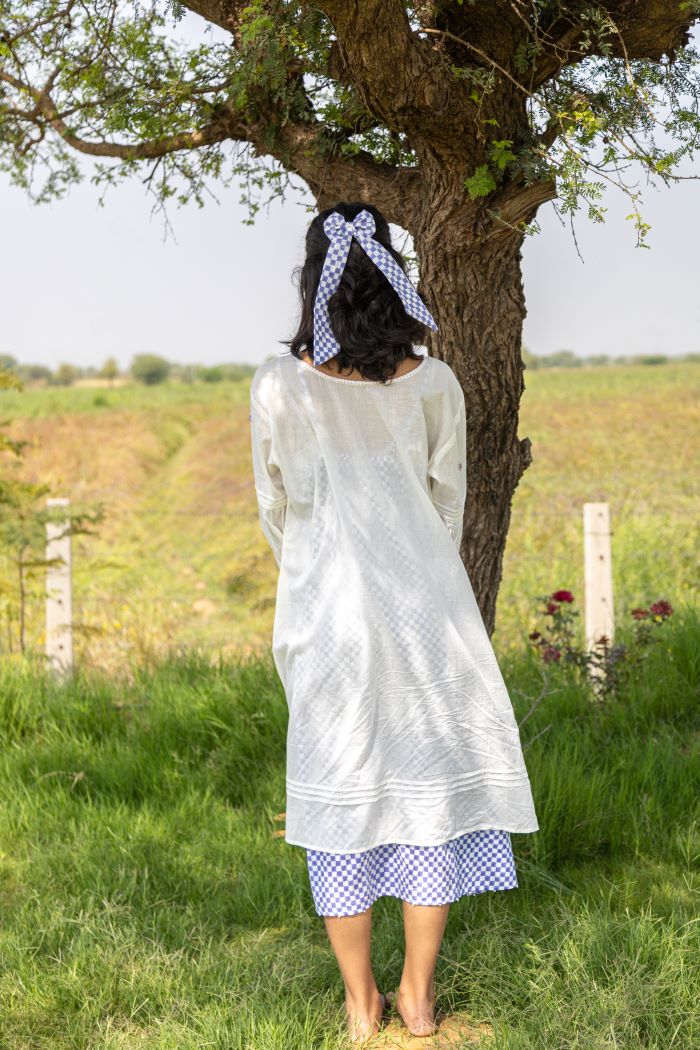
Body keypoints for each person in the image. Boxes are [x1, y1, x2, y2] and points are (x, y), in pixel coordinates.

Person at [249, 201, 539, 1044]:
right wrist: (412, 571)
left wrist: (314, 574)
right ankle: (418, 996)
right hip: (425, 616)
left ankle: (359, 1002)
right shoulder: (436, 382)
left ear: (316, 281)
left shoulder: (278, 386)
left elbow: (275, 506)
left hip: (327, 617)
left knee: (341, 796)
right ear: (393, 277)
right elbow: (448, 502)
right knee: (424, 799)